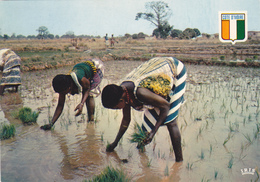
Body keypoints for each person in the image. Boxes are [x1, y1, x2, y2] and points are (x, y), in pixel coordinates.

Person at [101, 57, 187, 162]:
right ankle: (142, 153)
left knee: (170, 121)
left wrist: (153, 132)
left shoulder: (140, 93)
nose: (117, 109)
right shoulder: (123, 92)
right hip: (154, 73)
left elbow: (165, 106)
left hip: (174, 69)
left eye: (115, 108)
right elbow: (126, 120)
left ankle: (179, 161)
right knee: (148, 123)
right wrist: (115, 143)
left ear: (120, 100)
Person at [40, 58, 104, 130]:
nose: (63, 94)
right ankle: (90, 119)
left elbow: (87, 89)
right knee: (84, 93)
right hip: (84, 66)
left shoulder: (81, 79)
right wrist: (51, 124)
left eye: (64, 92)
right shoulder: (63, 85)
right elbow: (60, 105)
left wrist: (81, 104)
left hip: (97, 66)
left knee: (89, 95)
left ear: (69, 87)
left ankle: (91, 121)